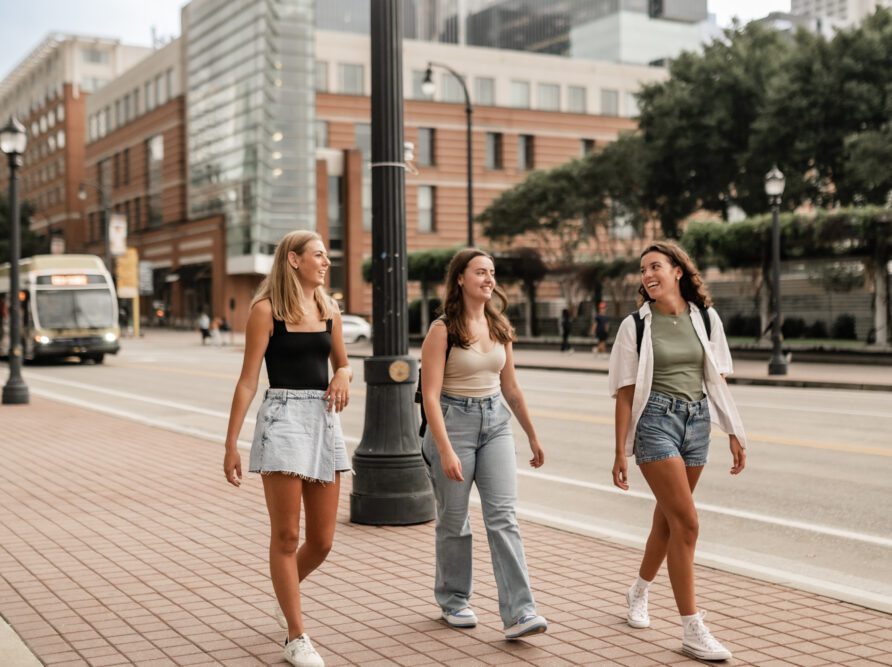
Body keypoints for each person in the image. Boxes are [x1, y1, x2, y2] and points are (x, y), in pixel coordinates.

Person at [608, 241, 747, 662]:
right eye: (643, 270)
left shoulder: (705, 317)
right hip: (655, 424)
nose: (648, 275)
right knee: (687, 523)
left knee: (668, 522)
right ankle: (692, 628)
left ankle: (638, 591)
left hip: (697, 423)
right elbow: (625, 392)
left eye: (656, 267)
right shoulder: (635, 325)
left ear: (677, 271)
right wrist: (620, 451)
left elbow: (717, 380)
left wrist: (734, 432)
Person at [223, 230, 353, 667]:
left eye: (327, 256)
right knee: (287, 535)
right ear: (294, 260)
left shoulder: (328, 306)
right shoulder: (265, 311)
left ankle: (285, 591)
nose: (326, 262)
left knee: (322, 541)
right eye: (318, 255)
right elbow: (247, 381)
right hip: (281, 420)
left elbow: (344, 362)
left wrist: (343, 376)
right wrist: (231, 444)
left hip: (322, 420)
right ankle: (296, 636)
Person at [420, 248, 548, 641]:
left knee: (503, 517)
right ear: (460, 278)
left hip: (495, 425)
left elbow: (510, 387)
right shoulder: (442, 330)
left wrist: (531, 433)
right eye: (480, 272)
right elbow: (430, 396)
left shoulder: (499, 326)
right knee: (455, 521)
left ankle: (520, 613)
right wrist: (444, 449)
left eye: (491, 272)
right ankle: (454, 600)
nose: (488, 279)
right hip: (452, 423)